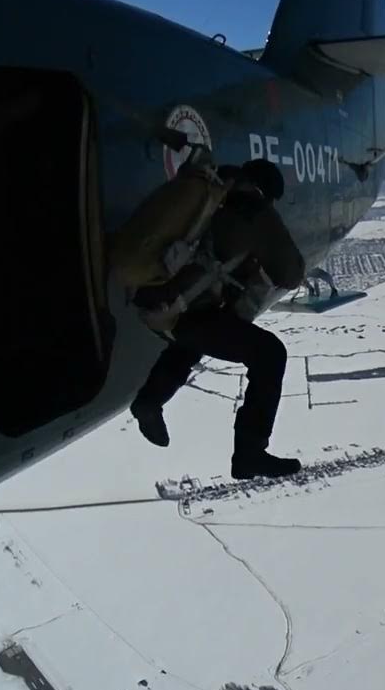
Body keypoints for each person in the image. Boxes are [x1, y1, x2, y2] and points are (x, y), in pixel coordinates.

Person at [129, 159, 306, 479]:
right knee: (270, 354)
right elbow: (290, 272)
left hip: (155, 298)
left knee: (197, 333)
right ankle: (250, 452)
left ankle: (149, 401)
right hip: (184, 313)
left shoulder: (204, 192)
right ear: (266, 193)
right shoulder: (253, 209)